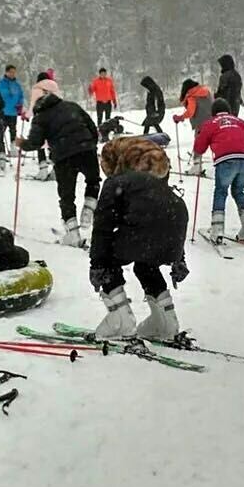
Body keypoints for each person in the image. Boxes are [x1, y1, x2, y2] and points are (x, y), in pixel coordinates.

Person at [89, 137, 189, 340]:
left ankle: (120, 321)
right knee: (146, 265)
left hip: (151, 224)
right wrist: (179, 259)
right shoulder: (156, 182)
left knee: (109, 261)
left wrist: (98, 264)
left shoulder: (116, 183)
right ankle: (165, 322)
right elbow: (166, 216)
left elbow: (103, 226)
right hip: (177, 215)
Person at [16, 93, 100, 247]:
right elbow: (92, 127)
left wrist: (22, 143)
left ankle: (73, 234)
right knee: (93, 180)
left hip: (63, 156)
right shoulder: (71, 106)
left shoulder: (40, 117)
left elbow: (35, 142)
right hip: (86, 149)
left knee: (67, 196)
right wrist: (90, 144)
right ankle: (88, 210)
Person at [193, 98, 244, 243]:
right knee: (238, 191)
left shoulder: (210, 123)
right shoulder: (240, 121)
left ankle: (217, 231)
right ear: (228, 110)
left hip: (226, 160)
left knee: (221, 191)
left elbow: (199, 148)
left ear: (213, 112)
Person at [173, 78, 213, 175]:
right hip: (213, 121)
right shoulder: (206, 92)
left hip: (201, 123)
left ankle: (196, 167)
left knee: (198, 144)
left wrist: (180, 117)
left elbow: (191, 112)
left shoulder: (192, 96)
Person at [26, 70, 61, 181]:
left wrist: (26, 115)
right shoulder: (55, 88)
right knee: (53, 143)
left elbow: (33, 106)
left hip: (41, 120)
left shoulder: (36, 89)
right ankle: (56, 169)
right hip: (55, 119)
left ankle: (43, 169)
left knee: (39, 143)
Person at [0, 64, 25, 154]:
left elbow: (21, 95)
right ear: (6, 72)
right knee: (1, 130)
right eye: (11, 72)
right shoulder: (1, 84)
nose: (13, 74)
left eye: (14, 72)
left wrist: (20, 104)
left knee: (13, 130)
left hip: (13, 112)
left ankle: (13, 148)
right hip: (3, 111)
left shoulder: (17, 85)